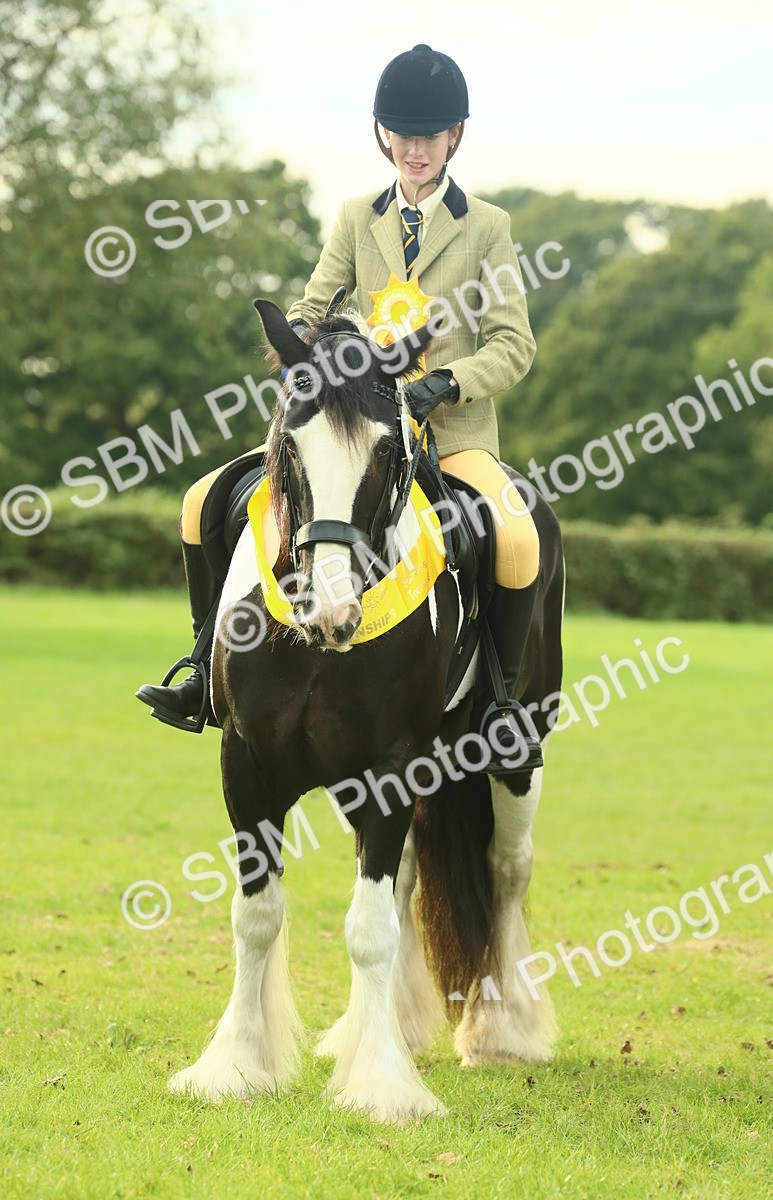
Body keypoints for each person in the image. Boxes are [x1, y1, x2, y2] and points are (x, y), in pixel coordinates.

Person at [137, 43, 542, 772]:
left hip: (450, 434)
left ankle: (500, 703)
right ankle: (202, 673)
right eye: (402, 134)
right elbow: (309, 307)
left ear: (455, 136)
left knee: (516, 541)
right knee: (202, 503)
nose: (415, 150)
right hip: (351, 430)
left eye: (430, 135)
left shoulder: (487, 226)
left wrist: (445, 383)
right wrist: (325, 350)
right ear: (383, 134)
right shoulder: (358, 217)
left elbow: (514, 344)